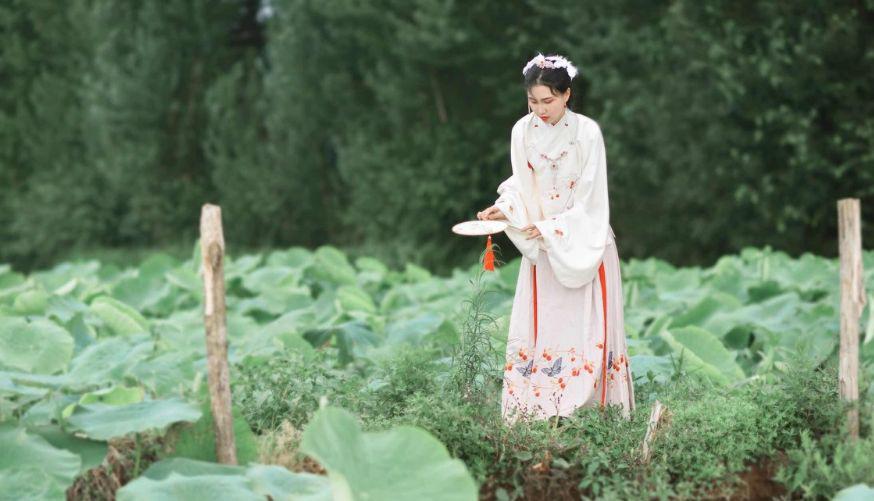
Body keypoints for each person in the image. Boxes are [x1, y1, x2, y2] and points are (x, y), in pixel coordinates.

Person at [476, 53, 635, 425]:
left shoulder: (587, 132)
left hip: (582, 241)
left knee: (588, 326)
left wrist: (552, 227)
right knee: (544, 326)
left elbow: (592, 196)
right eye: (533, 101)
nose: (540, 109)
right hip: (543, 247)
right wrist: (506, 207)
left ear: (567, 95)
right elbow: (524, 183)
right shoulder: (522, 131)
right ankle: (540, 416)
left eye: (548, 100)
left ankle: (597, 419)